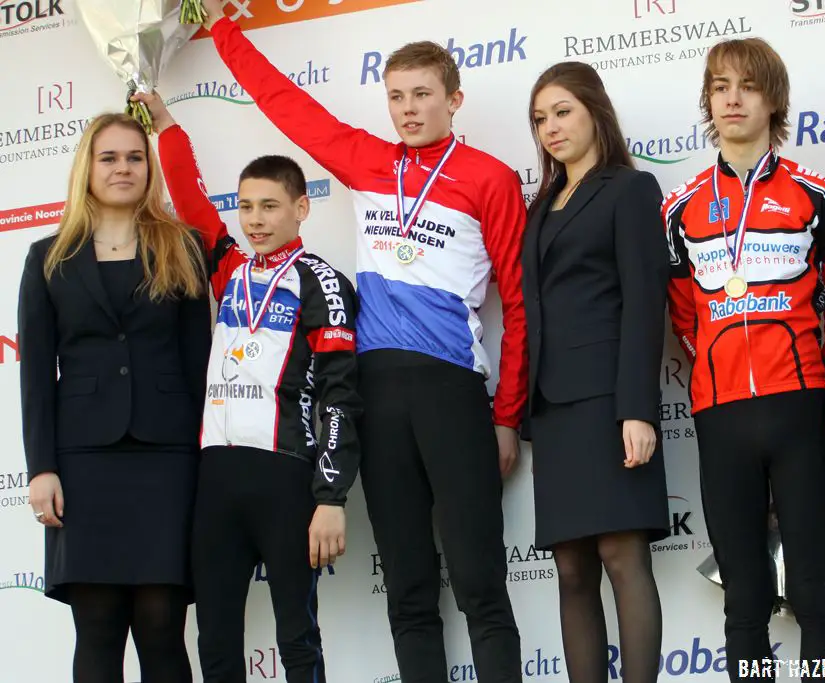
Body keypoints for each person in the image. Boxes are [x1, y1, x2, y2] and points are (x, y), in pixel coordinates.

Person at [194, 3, 528, 682]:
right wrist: (219, 29)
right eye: (397, 96)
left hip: (451, 388)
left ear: (454, 99)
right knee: (408, 589)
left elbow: (520, 303)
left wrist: (506, 415)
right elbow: (287, 106)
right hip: (377, 392)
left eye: (422, 95)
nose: (407, 110)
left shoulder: (490, 179)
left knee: (480, 584)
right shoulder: (366, 160)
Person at [136, 90, 362, 683]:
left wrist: (331, 497)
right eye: (246, 208)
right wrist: (166, 125)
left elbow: (341, 393)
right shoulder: (230, 268)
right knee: (215, 639)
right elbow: (189, 198)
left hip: (285, 475)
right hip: (216, 478)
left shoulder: (321, 282)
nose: (256, 220)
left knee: (297, 637)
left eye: (269, 206)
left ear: (301, 209)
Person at [661, 37, 825, 681]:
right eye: (719, 87)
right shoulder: (679, 208)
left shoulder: (814, 194)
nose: (732, 99)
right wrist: (714, 363)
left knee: (814, 590)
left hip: (797, 403)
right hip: (720, 412)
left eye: (747, 86)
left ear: (774, 100)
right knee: (744, 598)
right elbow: (684, 313)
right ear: (708, 101)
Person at [18, 112, 211, 683]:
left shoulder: (184, 248)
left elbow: (200, 366)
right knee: (97, 628)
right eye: (109, 157)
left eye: (134, 157)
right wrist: (42, 468)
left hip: (169, 458)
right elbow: (35, 378)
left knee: (161, 625)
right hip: (82, 462)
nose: (123, 168)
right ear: (87, 168)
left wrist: (211, 462)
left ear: (149, 168)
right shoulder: (48, 257)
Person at [520, 61, 669, 682]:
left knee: (621, 554)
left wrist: (636, 408)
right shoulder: (542, 204)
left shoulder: (630, 189)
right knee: (571, 566)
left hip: (610, 399)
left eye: (562, 112)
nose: (550, 128)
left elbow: (644, 302)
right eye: (539, 119)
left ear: (594, 112)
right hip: (555, 408)